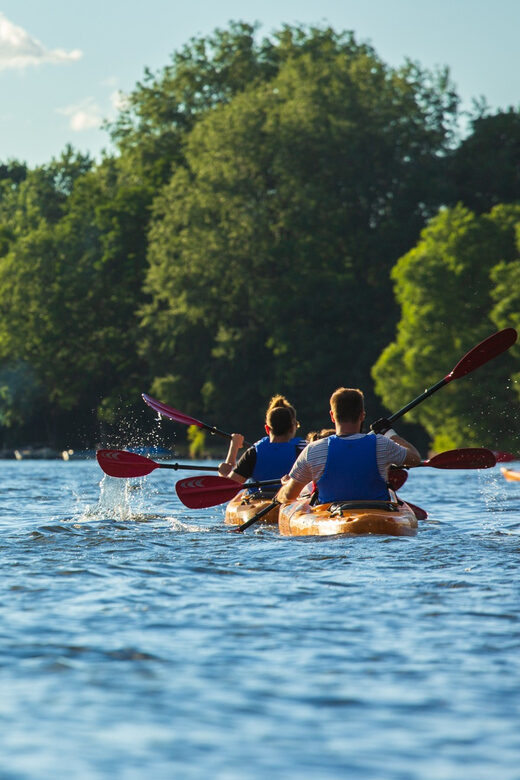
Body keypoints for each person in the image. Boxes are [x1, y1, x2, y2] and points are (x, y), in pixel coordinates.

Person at [275, 387, 421, 505]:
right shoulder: (382, 443)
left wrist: (286, 485)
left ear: (332, 416)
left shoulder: (313, 450)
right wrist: (389, 433)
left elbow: (289, 496)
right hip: (378, 513)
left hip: (332, 517)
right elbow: (415, 459)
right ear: (362, 415)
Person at [218, 395, 306, 486]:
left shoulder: (253, 453)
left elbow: (229, 487)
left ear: (267, 429)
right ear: (292, 428)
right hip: (289, 498)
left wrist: (224, 473)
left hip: (258, 497)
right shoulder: (303, 451)